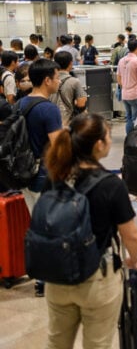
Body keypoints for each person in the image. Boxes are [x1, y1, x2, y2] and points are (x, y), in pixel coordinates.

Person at [43, 113, 137, 349]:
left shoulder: (56, 176)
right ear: (99, 144)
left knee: (56, 342)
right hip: (97, 278)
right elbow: (130, 234)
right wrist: (133, 260)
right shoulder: (111, 185)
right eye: (108, 136)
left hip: (58, 274)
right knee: (98, 344)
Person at [19, 58, 64, 297]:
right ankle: (46, 278)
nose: (59, 81)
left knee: (36, 224)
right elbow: (58, 147)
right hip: (44, 175)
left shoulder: (21, 103)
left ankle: (41, 276)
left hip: (24, 174)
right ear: (47, 80)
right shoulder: (48, 109)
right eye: (57, 77)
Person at [117, 39, 137, 135]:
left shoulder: (121, 61)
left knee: (129, 118)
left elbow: (118, 77)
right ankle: (136, 139)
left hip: (125, 94)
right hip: (136, 94)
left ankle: (129, 139)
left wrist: (125, 86)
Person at [50, 51, 87, 126]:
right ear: (70, 63)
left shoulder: (48, 80)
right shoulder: (74, 81)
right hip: (67, 121)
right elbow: (81, 103)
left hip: (50, 119)